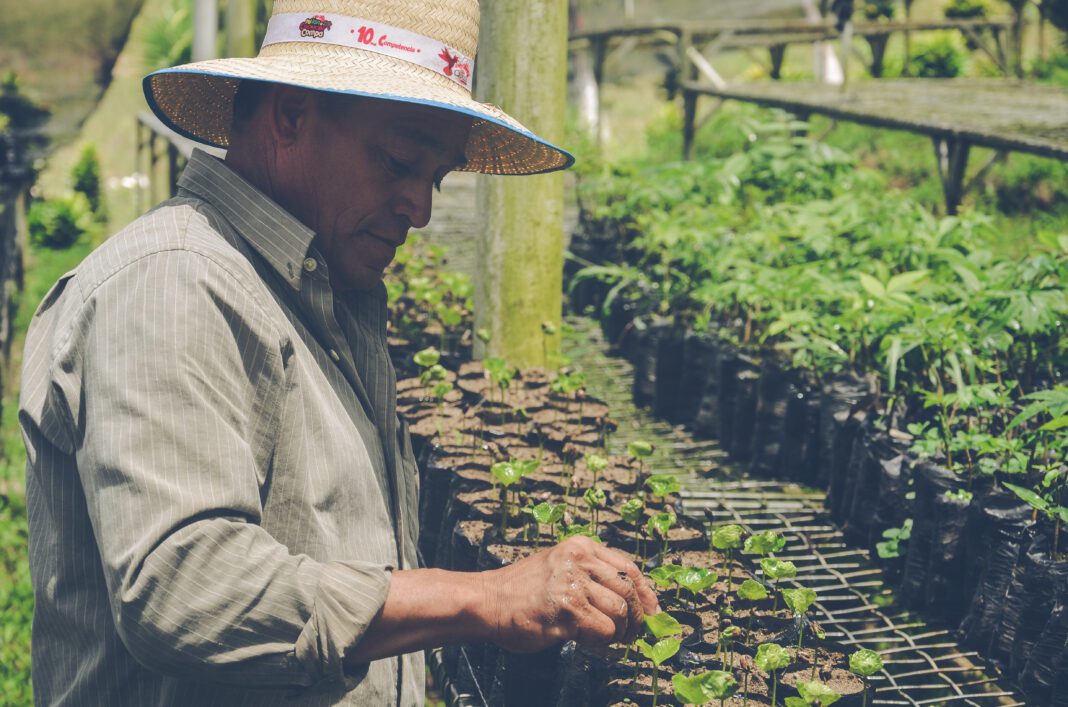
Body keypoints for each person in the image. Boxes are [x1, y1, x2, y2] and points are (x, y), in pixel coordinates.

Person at [19, 0, 658, 704]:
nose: (419, 206)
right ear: (291, 116)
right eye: (399, 160)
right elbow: (184, 586)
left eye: (437, 177)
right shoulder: (173, 283)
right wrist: (485, 597)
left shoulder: (325, 295)